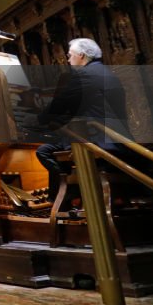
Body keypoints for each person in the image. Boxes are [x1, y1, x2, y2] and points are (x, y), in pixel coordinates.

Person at [34, 37, 127, 202]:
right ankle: (64, 197)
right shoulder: (106, 72)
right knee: (58, 142)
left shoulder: (84, 75)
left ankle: (68, 190)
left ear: (81, 56)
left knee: (44, 151)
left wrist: (39, 119)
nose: (68, 60)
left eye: (70, 56)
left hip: (98, 138)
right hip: (116, 138)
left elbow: (59, 105)